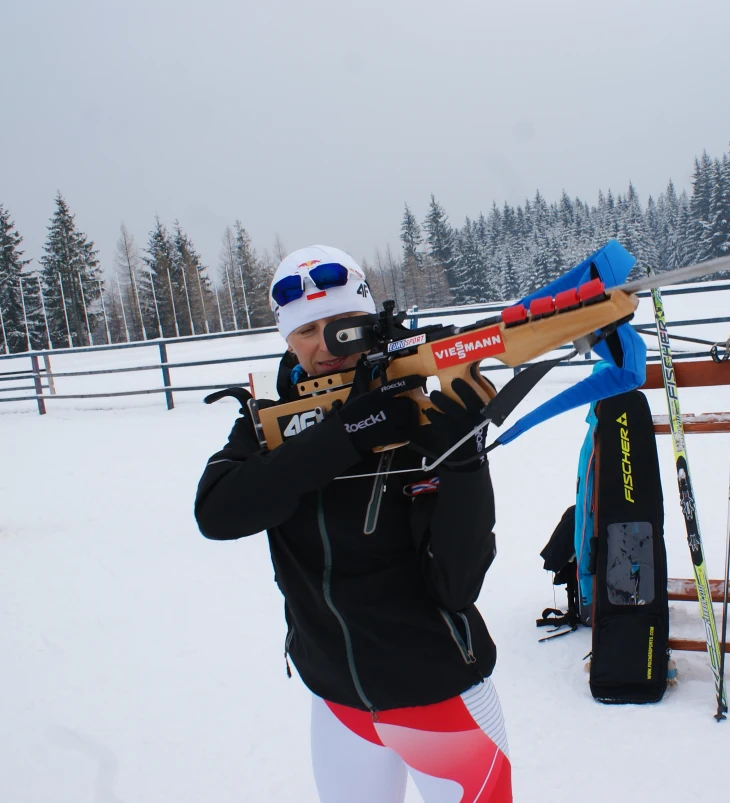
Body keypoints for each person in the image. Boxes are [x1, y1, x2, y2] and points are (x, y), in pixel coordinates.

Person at [195, 245, 511, 803]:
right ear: (287, 342)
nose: (324, 346)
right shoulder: (267, 427)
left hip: (441, 699)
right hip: (336, 703)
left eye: (340, 327)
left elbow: (457, 585)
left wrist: (464, 461)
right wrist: (347, 434)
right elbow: (218, 513)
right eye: (306, 331)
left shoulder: (417, 407)